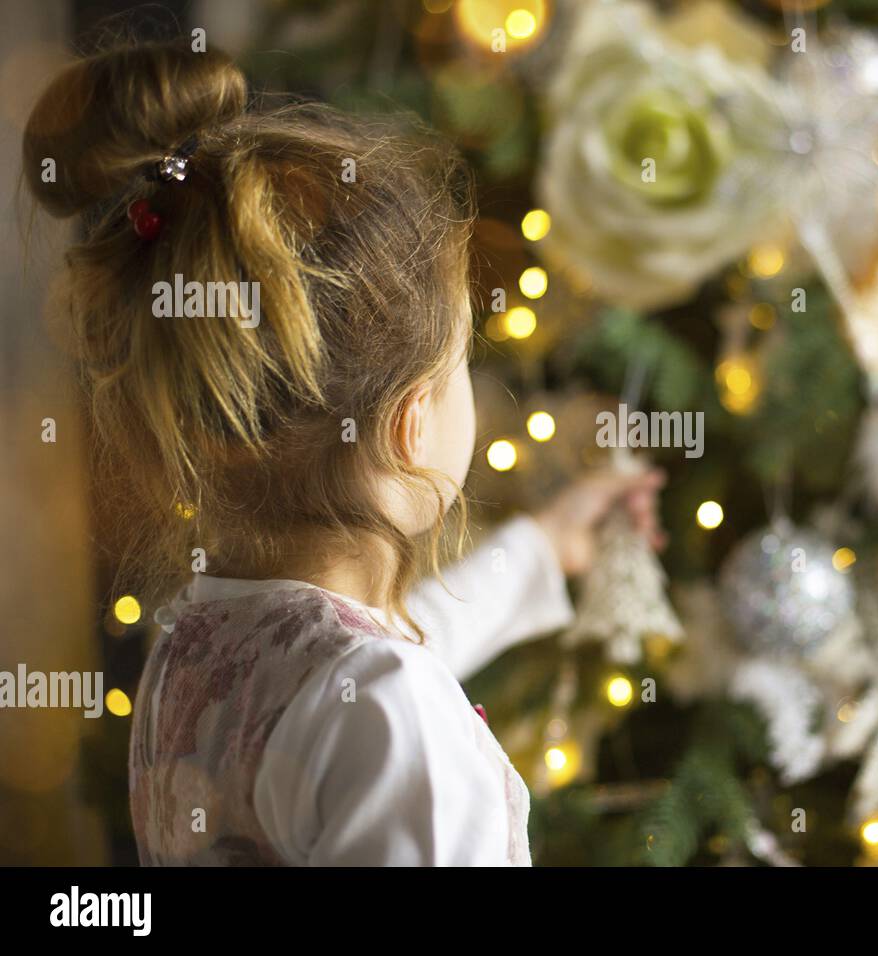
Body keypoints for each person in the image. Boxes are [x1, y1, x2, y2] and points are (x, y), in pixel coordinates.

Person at [23, 39, 663, 865]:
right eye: (461, 359)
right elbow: (374, 698)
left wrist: (541, 548)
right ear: (408, 425)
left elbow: (357, 672)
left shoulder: (196, 645)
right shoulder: (387, 716)